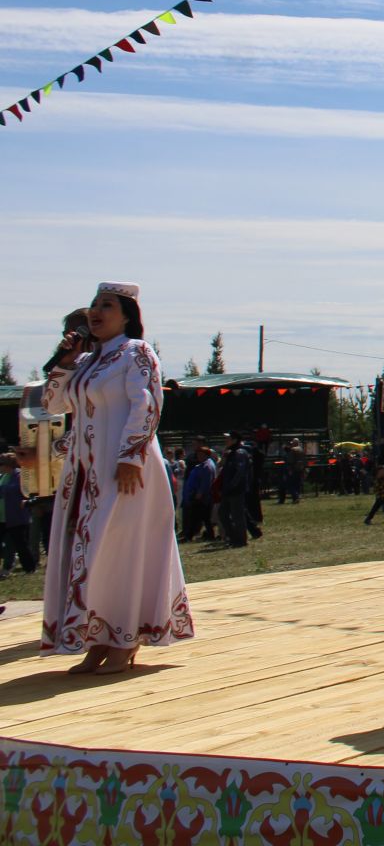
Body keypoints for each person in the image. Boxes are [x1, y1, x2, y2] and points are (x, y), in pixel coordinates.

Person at [40, 282, 194, 672]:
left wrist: (130, 456)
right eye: (93, 305)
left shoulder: (136, 352)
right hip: (86, 473)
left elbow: (147, 403)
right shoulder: (89, 361)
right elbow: (53, 404)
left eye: (106, 305)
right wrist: (65, 362)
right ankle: (97, 638)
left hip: (127, 469)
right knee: (90, 551)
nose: (96, 311)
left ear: (127, 315)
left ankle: (126, 636)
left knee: (121, 550)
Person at [0, 454, 37, 578]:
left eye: (1, 464)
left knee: (21, 544)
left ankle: (30, 568)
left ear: (8, 465)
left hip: (17, 516)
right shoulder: (3, 477)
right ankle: (6, 567)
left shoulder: (19, 475)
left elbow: (26, 492)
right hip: (3, 517)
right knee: (8, 545)